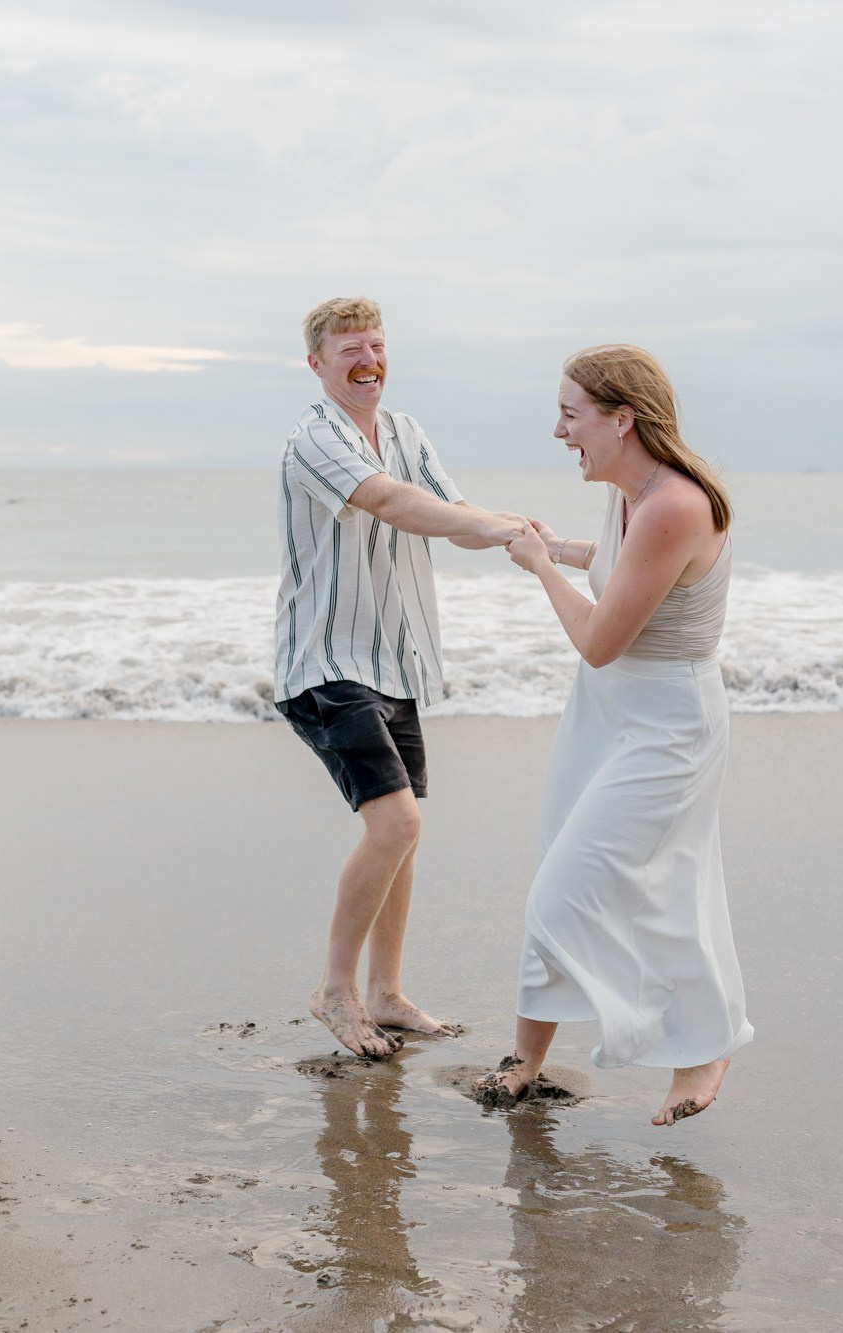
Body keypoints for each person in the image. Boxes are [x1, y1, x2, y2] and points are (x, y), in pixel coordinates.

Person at [479, 343, 752, 1126]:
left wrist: (541, 569)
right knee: (555, 874)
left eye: (571, 414)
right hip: (606, 714)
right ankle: (526, 1057)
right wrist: (566, 548)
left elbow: (601, 639)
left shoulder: (675, 502)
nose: (559, 431)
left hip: (667, 723)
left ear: (621, 418)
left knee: (577, 894)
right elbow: (633, 567)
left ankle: (705, 1043)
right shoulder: (634, 493)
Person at [275, 296, 527, 1059]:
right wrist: (484, 525)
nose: (366, 360)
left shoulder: (407, 431)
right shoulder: (313, 440)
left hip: (394, 658)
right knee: (398, 823)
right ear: (316, 363)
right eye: (348, 348)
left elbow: (453, 511)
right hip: (326, 662)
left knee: (403, 835)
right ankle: (334, 991)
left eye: (376, 345)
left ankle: (385, 992)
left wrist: (557, 545)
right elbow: (389, 501)